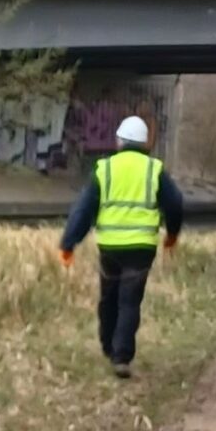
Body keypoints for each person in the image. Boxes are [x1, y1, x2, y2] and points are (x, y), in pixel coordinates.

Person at [57, 113, 185, 377]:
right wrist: (171, 235)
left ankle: (107, 344)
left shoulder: (104, 170)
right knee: (130, 301)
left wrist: (69, 243)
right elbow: (175, 204)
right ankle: (121, 357)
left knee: (108, 297)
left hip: (110, 247)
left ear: (119, 142)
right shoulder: (155, 170)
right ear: (144, 144)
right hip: (141, 248)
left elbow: (83, 210)